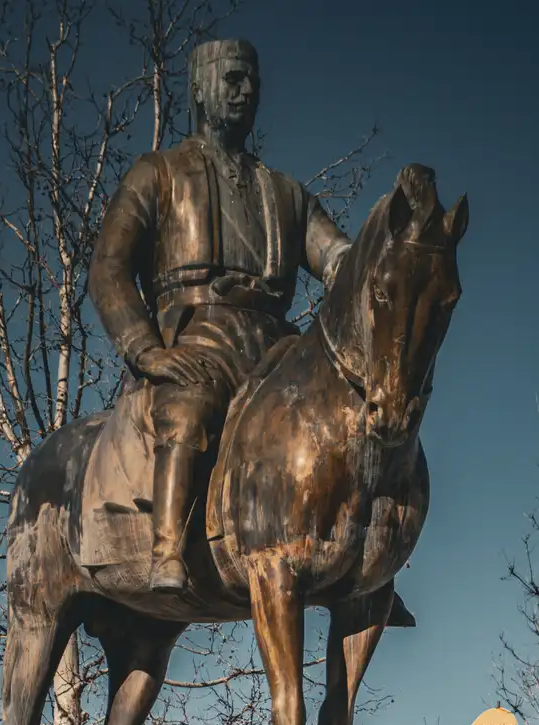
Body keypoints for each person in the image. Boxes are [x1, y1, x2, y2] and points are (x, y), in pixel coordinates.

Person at [89, 39, 351, 593]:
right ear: (202, 89)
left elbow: (335, 257)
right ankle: (166, 549)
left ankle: (362, 564)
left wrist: (375, 256)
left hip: (278, 348)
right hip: (198, 336)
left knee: (348, 419)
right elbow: (109, 269)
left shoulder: (287, 194)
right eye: (233, 80)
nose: (247, 91)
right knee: (189, 407)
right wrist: (147, 350)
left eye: (252, 82)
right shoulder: (157, 173)